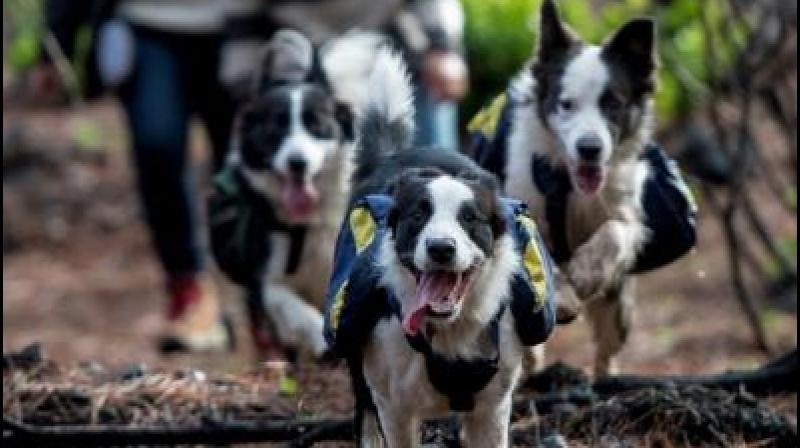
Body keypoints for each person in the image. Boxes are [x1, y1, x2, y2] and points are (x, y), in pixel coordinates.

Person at [39, 0, 265, 354]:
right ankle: (189, 291)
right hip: (146, 24)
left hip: (242, 26)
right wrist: (56, 39)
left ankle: (264, 299)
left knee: (249, 163)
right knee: (156, 147)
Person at [219, 0, 469, 152]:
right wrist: (245, 93)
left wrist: (443, 47)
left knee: (433, 165)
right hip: (300, 64)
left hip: (394, 50)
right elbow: (243, 19)